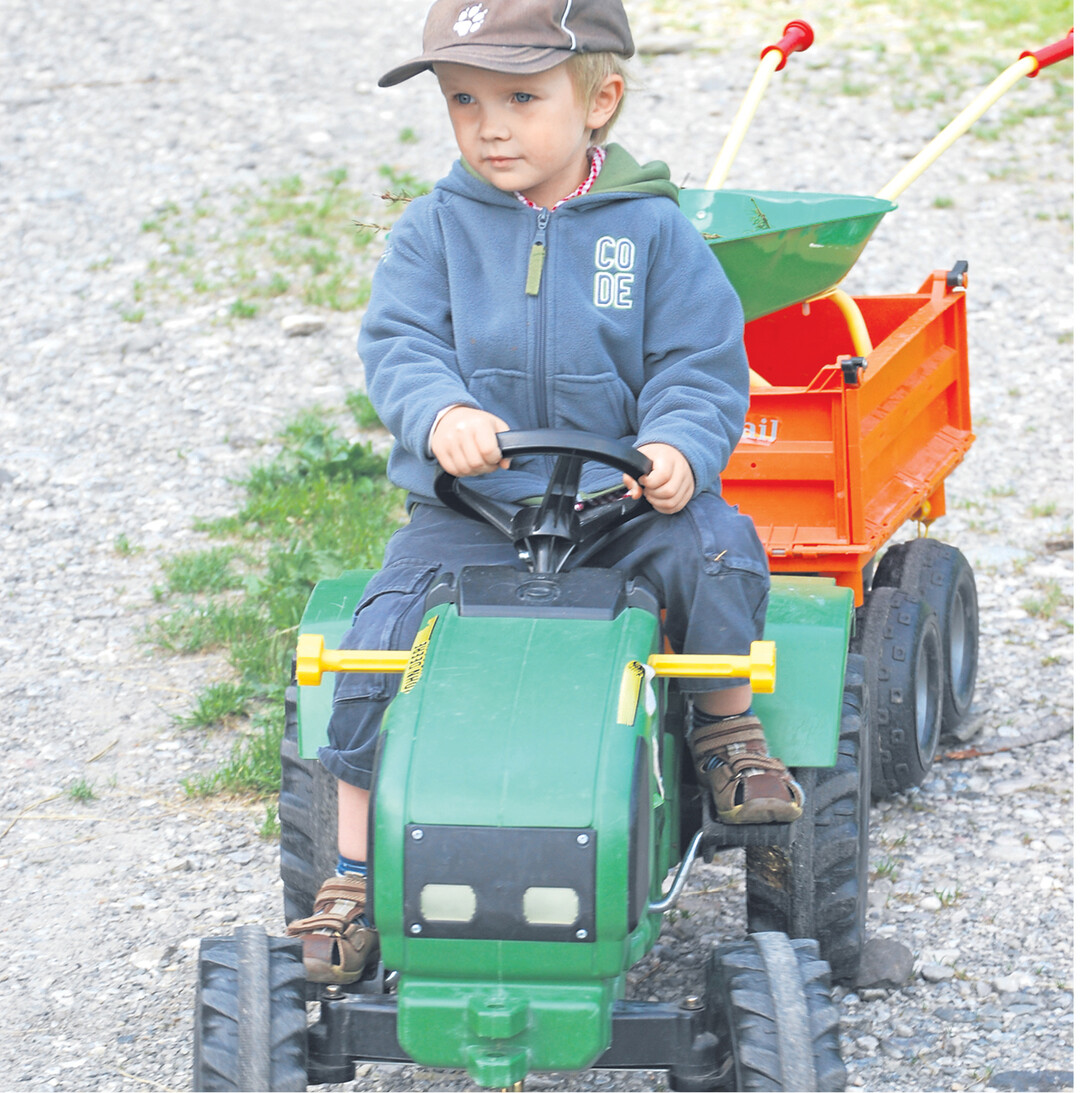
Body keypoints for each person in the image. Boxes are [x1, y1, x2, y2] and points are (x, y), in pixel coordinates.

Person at [286, 0, 803, 984]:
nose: (488, 124)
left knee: (716, 546)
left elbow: (699, 360)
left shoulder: (653, 234)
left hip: (622, 509)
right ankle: (350, 873)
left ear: (600, 99)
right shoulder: (435, 230)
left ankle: (726, 724)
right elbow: (401, 343)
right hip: (473, 513)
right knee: (372, 639)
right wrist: (440, 414)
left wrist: (677, 445)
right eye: (464, 99)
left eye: (522, 98)